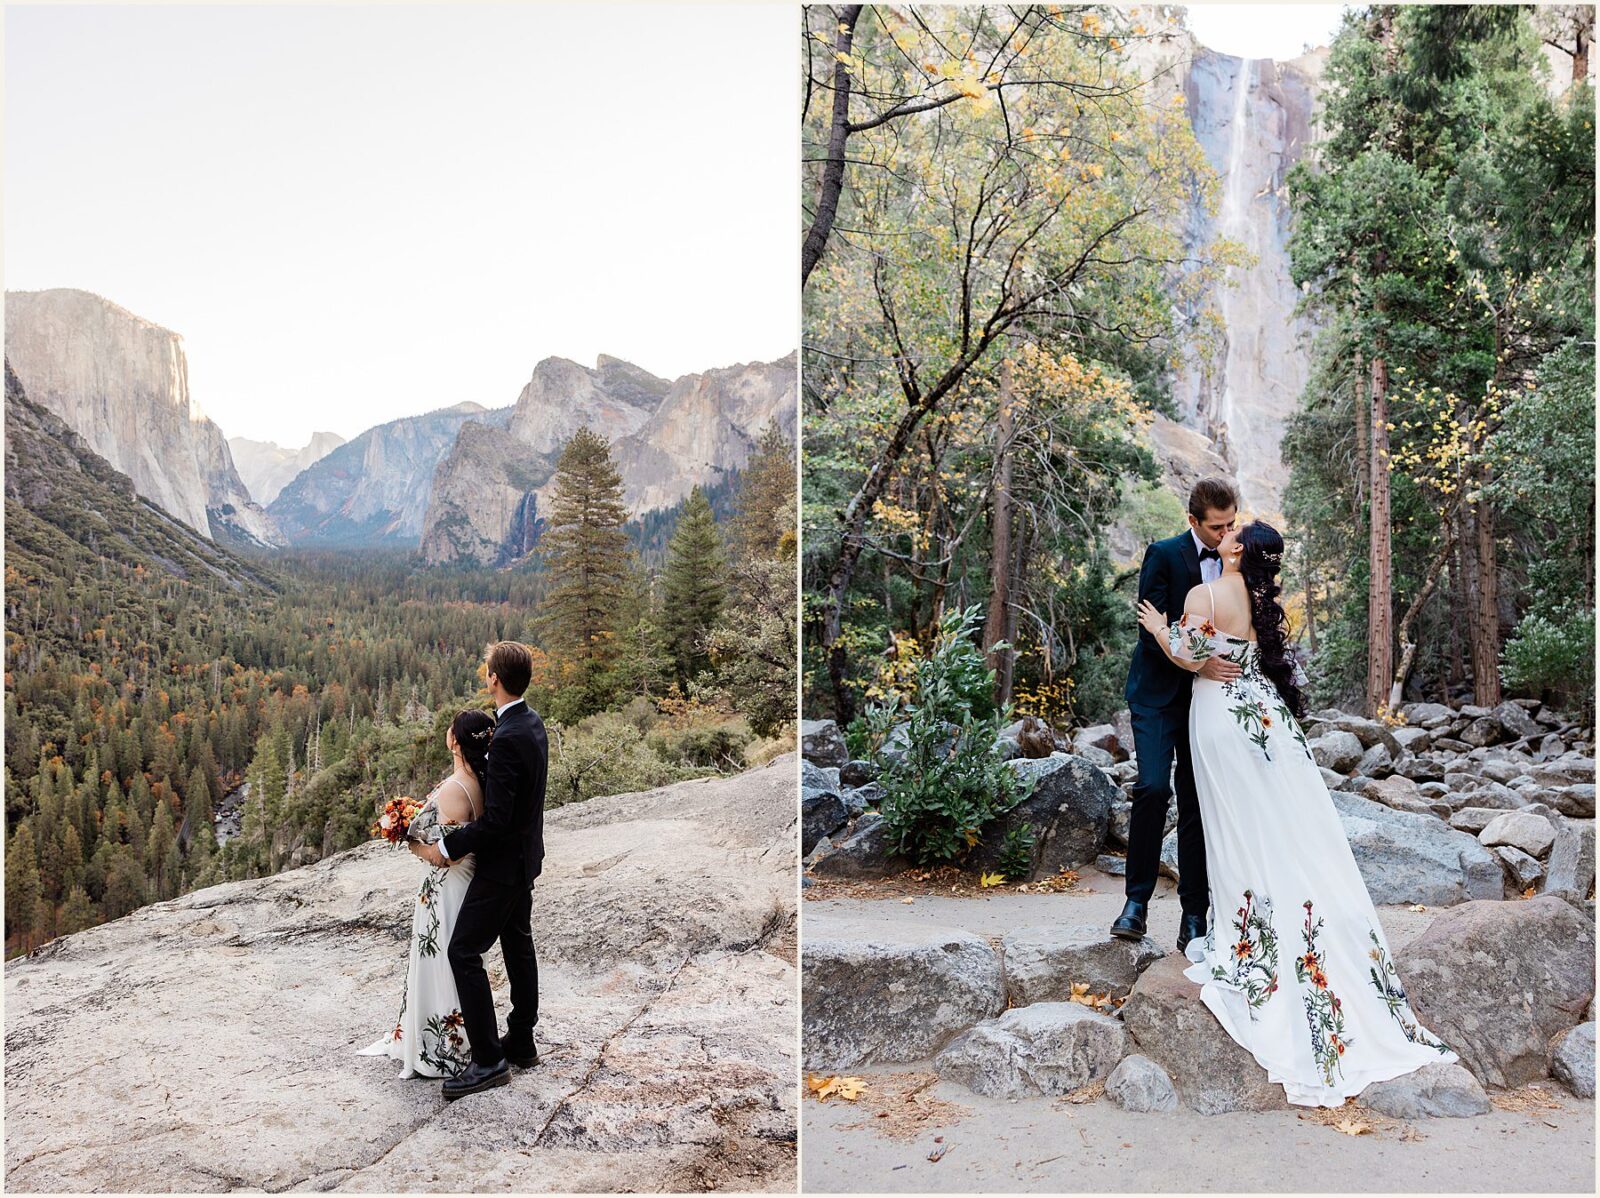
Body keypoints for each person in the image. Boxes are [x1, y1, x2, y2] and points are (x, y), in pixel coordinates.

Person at [1136, 518, 1457, 1106]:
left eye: (1233, 535)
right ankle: (1294, 936)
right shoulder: (1261, 599)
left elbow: (1188, 656)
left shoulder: (1204, 595)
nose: (1225, 537)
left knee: (1235, 831)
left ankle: (1247, 943)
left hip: (1221, 723)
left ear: (1237, 550)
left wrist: (1159, 627)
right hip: (1268, 721)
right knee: (1281, 829)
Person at [410, 640, 549, 1100]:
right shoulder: (532, 724)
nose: (485, 675)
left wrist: (449, 842)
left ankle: (488, 1059)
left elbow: (498, 820)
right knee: (517, 944)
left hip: (503, 866)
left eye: (487, 670)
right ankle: (522, 1040)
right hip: (526, 859)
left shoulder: (508, 736)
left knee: (463, 951)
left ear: (494, 679)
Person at [1113, 477, 1242, 951]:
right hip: (1155, 693)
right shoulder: (1163, 554)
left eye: (1231, 523)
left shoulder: (1238, 556)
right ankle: (1135, 903)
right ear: (1192, 521)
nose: (1225, 534)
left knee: (1195, 800)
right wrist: (1199, 660)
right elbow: (1152, 629)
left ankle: (1194, 915)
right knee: (1150, 787)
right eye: (1215, 527)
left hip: (1208, 699)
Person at [357, 708, 494, 1078]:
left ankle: (442, 1045)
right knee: (457, 961)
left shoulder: (456, 788)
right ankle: (463, 1034)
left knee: (440, 961)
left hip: (446, 889)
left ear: (455, 741)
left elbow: (441, 856)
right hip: (467, 884)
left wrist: (406, 839)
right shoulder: (481, 780)